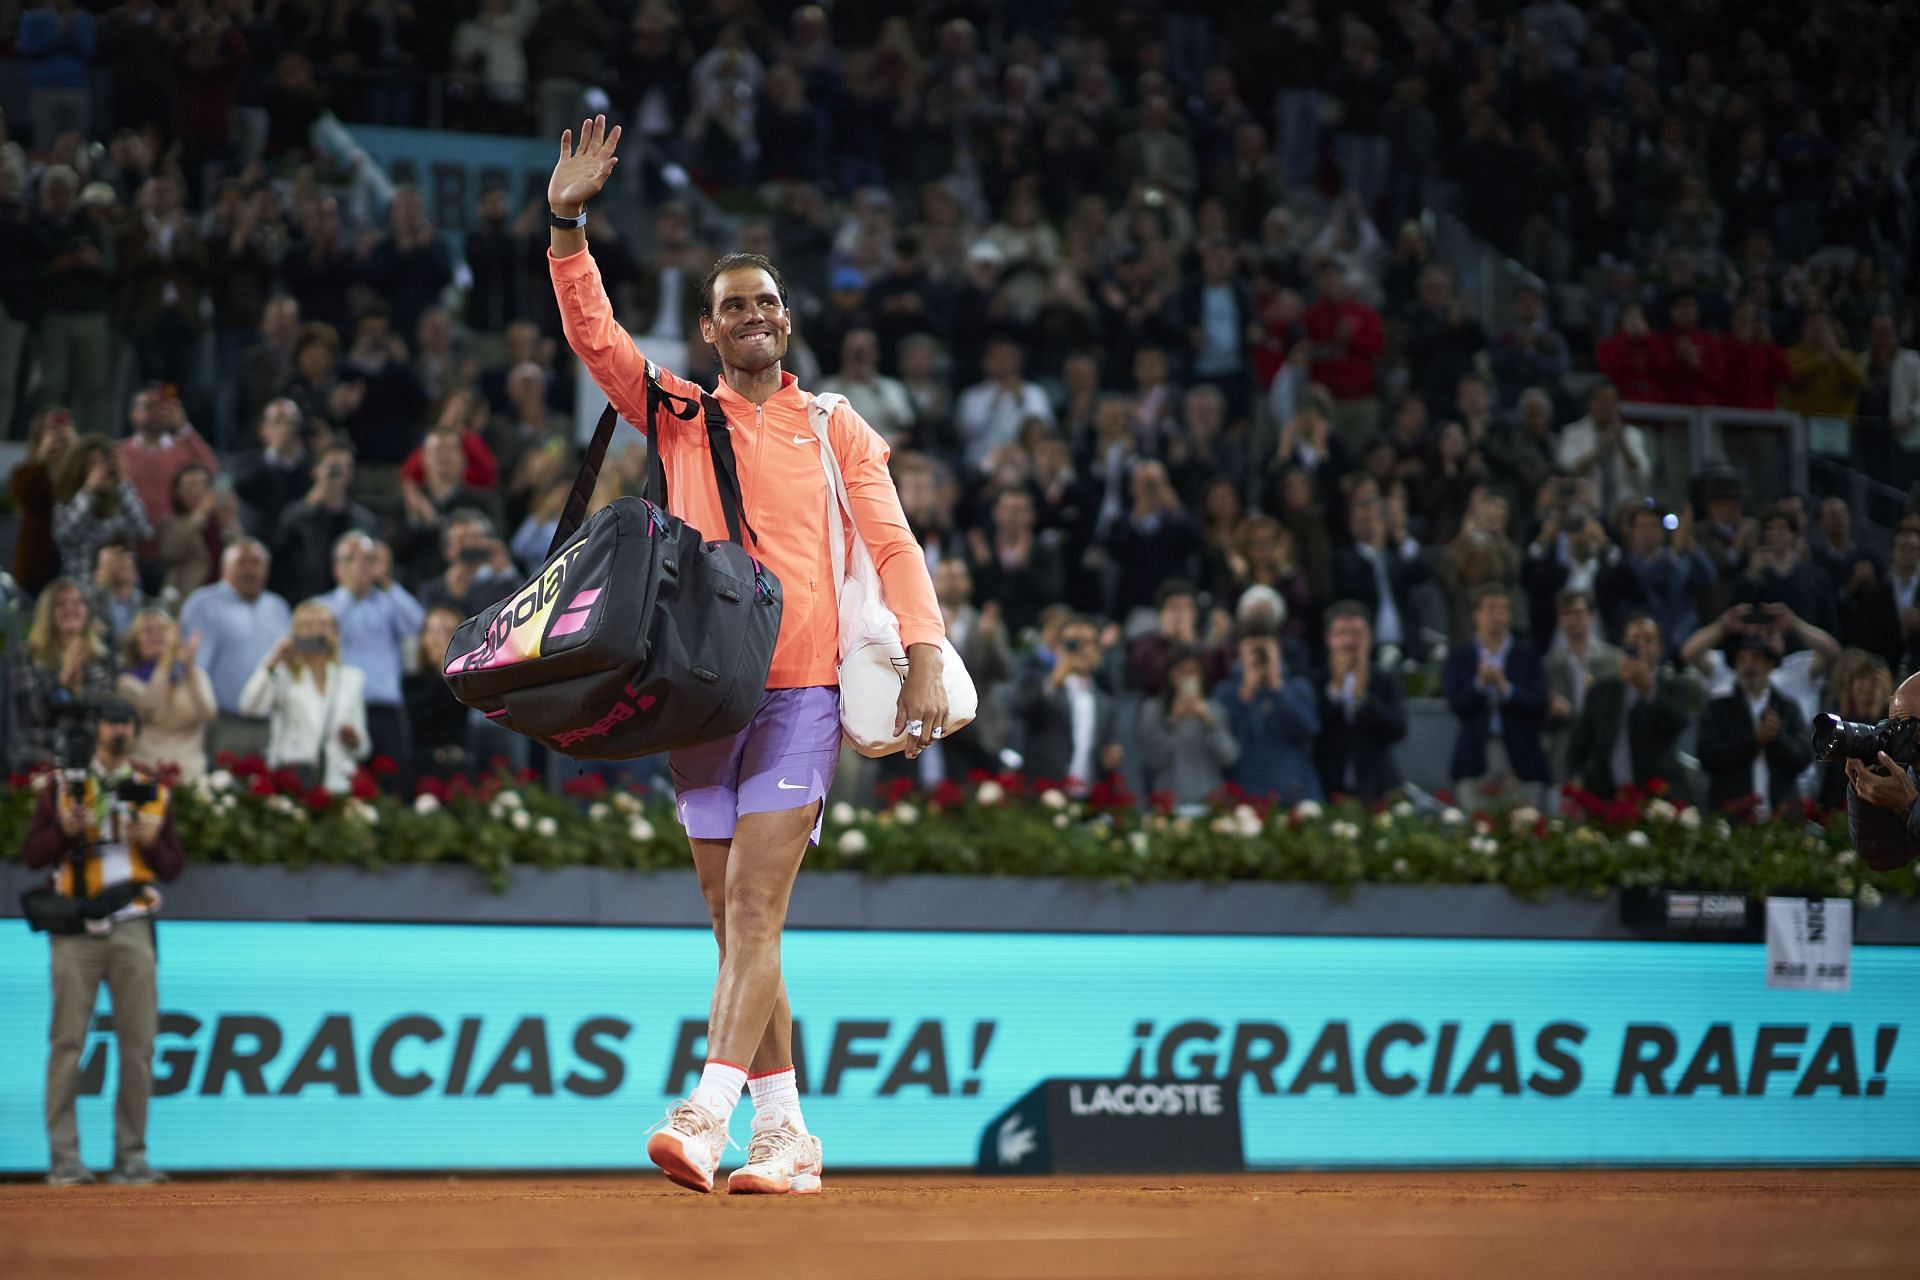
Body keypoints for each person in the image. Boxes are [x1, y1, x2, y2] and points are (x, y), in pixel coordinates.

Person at [548, 115, 945, 1195]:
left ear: (787, 316)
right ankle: (791, 1131)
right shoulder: (677, 413)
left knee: (757, 912)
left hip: (802, 692)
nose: (754, 315)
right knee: (734, 926)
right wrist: (567, 225)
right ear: (714, 333)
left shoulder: (836, 425)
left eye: (767, 300)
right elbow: (598, 343)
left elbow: (893, 539)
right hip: (700, 695)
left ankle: (708, 1109)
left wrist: (923, 649)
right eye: (734, 307)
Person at [21, 699, 180, 1187]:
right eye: (109, 722)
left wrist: (151, 839)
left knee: (139, 1045)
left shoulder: (150, 788)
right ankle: (64, 1159)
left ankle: (131, 1155)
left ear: (133, 731)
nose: (117, 732)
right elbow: (32, 855)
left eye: (124, 724)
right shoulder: (63, 785)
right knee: (68, 1041)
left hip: (132, 921)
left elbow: (173, 866)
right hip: (76, 925)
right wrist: (65, 834)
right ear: (97, 729)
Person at [320, 532, 424, 785]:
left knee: (393, 789)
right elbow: (321, 633)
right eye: (351, 559)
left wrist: (386, 581)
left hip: (386, 710)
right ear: (337, 569)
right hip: (340, 711)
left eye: (368, 559)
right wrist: (351, 593)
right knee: (342, 788)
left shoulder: (390, 603)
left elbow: (419, 623)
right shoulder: (324, 606)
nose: (361, 566)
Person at [238, 600, 370, 794]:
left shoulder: (352, 678)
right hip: (292, 776)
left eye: (323, 625)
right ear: (295, 633)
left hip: (336, 781)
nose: (316, 631)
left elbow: (363, 748)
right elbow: (250, 706)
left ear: (334, 633)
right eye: (308, 626)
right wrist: (274, 660)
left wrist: (353, 738)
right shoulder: (282, 674)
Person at [180, 539, 292, 762]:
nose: (250, 570)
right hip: (224, 723)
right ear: (224, 567)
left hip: (272, 726)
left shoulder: (278, 607)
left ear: (267, 569)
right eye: (242, 563)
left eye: (257, 563)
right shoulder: (203, 603)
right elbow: (194, 667)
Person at [1564, 613, 1693, 799]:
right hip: (1606, 797)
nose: (1640, 646)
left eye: (1647, 640)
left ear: (1659, 647)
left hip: (1656, 796)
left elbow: (1678, 722)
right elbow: (1578, 745)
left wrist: (1647, 689)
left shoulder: (1673, 686)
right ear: (1624, 646)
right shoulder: (1601, 691)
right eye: (1633, 640)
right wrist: (1576, 779)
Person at [1444, 584, 1549, 809]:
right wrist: (1480, 684)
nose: (1497, 616)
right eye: (1491, 609)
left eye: (1503, 610)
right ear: (1476, 615)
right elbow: (1457, 705)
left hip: (1521, 757)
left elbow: (1539, 703)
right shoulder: (1460, 657)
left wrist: (1506, 688)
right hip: (1475, 756)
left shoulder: (1527, 654)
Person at [1697, 631, 1813, 817]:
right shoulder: (1718, 709)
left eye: (1755, 658)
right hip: (1731, 813)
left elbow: (1803, 758)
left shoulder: (1787, 708)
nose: (1748, 666)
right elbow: (1708, 756)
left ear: (1770, 664)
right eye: (1742, 660)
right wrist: (1754, 740)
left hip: (1781, 816)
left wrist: (1777, 736)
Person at [9, 577, 118, 773]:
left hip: (92, 761)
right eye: (61, 604)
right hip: (40, 758)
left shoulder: (102, 658)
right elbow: (33, 714)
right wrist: (62, 683)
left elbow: (106, 709)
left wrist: (73, 694)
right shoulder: (27, 656)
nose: (71, 609)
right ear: (47, 613)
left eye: (77, 603)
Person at [1014, 612, 1121, 791]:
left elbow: (1104, 754)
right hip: (1044, 794)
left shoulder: (1105, 702)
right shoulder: (1041, 685)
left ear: (1097, 650)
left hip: (1087, 797)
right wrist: (1054, 679)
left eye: (1087, 643)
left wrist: (1110, 756)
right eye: (1072, 643)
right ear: (1058, 646)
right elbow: (1018, 709)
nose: (1080, 650)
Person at [1312, 601, 1406, 803]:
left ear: (1369, 638)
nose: (1349, 642)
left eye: (1356, 634)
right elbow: (1311, 729)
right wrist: (1335, 690)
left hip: (1378, 786)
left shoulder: (1384, 679)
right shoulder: (1316, 681)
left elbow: (1398, 729)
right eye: (1342, 634)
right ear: (1329, 639)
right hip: (1326, 786)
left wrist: (1363, 698)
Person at [117, 608, 216, 781]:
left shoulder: (194, 674)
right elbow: (151, 707)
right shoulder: (128, 681)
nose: (156, 635)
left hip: (191, 771)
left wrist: (190, 669)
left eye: (162, 630)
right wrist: (166, 662)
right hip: (147, 770)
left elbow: (208, 714)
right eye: (148, 631)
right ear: (134, 641)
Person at [1136, 646, 1240, 808]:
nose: (1187, 678)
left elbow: (1229, 758)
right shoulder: (1153, 709)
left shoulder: (1214, 709)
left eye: (1193, 672)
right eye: (1181, 672)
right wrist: (1172, 721)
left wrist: (1208, 722)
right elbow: (1151, 760)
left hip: (1209, 801)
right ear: (1169, 674)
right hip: (1169, 802)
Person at [1542, 588, 1621, 781]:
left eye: (1578, 613)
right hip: (1564, 755)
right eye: (1565, 614)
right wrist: (1554, 712)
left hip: (1604, 757)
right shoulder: (1550, 664)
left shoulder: (1614, 660)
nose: (1572, 620)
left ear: (1591, 616)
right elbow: (1543, 721)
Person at [1844, 671, 1920, 871]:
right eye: (1895, 727)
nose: (1904, 739)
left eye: (1913, 727)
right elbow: (1885, 856)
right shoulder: (1912, 774)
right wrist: (1865, 798)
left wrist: (1911, 803)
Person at [53, 435, 152, 583]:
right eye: (93, 464)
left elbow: (143, 531)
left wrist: (122, 482)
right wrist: (89, 490)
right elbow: (66, 535)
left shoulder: (122, 499)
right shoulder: (66, 503)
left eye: (104, 464)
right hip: (81, 587)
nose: (101, 470)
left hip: (119, 591)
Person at [11, 407, 79, 595]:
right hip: (37, 564)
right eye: (49, 433)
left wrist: (75, 448)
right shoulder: (25, 473)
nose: (57, 442)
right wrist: (42, 456)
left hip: (74, 562)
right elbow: (26, 496)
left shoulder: (79, 472)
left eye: (61, 436)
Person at [1554, 381, 1651, 513]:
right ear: (1590, 404)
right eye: (1600, 400)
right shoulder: (1572, 432)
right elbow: (1566, 469)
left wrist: (1623, 445)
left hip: (1623, 510)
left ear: (1617, 405)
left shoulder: (1632, 435)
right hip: (1586, 508)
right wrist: (1600, 449)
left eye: (1610, 401)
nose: (1605, 406)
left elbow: (1643, 475)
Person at [404, 604, 472, 781]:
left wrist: (447, 668)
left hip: (464, 767)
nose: (438, 639)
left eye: (447, 632)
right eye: (433, 631)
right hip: (421, 768)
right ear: (423, 638)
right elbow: (419, 717)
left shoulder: (473, 680)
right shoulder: (410, 682)